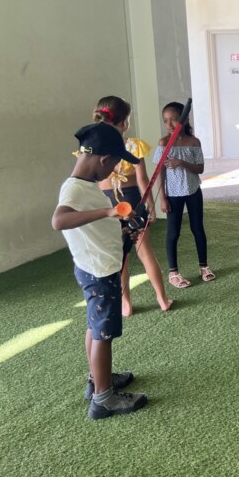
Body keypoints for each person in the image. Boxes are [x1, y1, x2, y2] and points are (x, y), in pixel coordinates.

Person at [52, 122, 148, 419]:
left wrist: (119, 232)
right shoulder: (75, 188)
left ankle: (98, 380)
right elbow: (60, 220)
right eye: (115, 164)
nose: (114, 170)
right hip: (98, 271)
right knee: (103, 334)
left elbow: (90, 227)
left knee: (95, 328)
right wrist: (110, 211)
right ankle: (103, 399)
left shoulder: (85, 186)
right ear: (105, 160)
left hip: (97, 266)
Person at [93, 96, 172, 316]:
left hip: (107, 204)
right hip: (132, 202)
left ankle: (125, 304)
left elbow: (92, 182)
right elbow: (142, 180)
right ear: (125, 122)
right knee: (145, 252)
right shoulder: (133, 146)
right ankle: (162, 299)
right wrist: (150, 206)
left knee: (120, 257)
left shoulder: (92, 148)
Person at [153, 101, 215, 288]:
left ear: (185, 119)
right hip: (173, 194)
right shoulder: (164, 143)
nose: (170, 124)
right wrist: (162, 198)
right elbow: (159, 173)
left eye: (174, 119)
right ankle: (173, 273)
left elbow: (200, 168)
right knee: (173, 232)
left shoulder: (194, 142)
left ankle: (204, 267)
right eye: (166, 121)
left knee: (198, 229)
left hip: (193, 191)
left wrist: (182, 162)